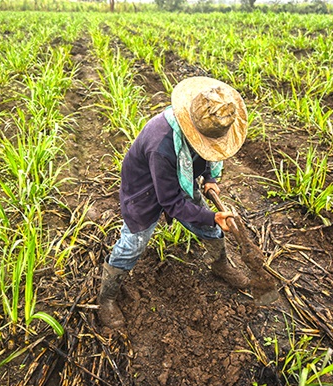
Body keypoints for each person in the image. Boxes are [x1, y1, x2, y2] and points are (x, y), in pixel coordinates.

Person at [98, 76, 250, 329]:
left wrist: (210, 177)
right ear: (191, 126)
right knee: (133, 244)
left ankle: (220, 265)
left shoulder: (202, 125)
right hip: (144, 191)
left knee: (209, 229)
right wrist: (212, 215)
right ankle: (107, 298)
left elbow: (207, 154)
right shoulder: (162, 145)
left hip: (183, 176)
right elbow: (171, 201)